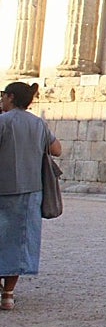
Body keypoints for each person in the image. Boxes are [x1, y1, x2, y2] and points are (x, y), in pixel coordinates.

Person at [0, 82, 62, 312]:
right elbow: (56, 149)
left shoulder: (3, 122)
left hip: (4, 189)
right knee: (20, 241)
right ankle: (8, 293)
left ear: (11, 97)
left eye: (3, 96)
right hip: (31, 190)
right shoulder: (38, 123)